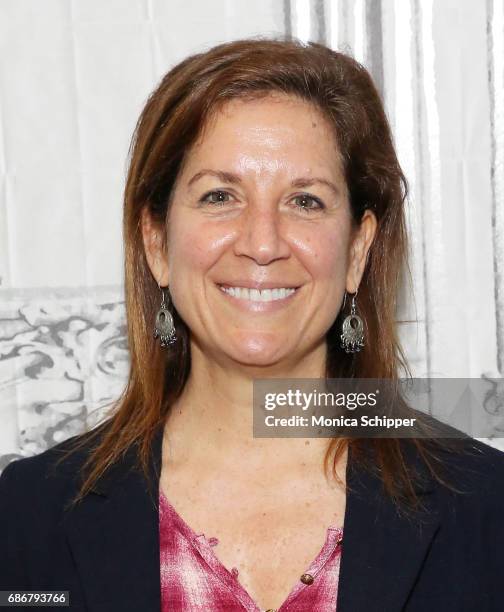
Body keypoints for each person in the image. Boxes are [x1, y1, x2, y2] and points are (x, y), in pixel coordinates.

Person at [1, 37, 503, 612]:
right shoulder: (27, 518)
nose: (262, 244)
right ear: (157, 242)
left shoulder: (485, 508)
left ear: (358, 251)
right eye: (220, 196)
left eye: (305, 201)